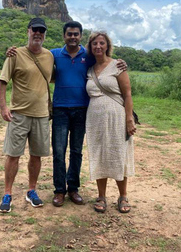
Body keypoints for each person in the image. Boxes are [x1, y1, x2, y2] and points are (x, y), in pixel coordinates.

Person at [7, 21, 127, 208]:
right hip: (61, 109)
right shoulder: (54, 54)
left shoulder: (88, 56)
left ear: (80, 36)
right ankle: (59, 191)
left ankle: (73, 188)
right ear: (64, 36)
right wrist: (11, 51)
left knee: (77, 151)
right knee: (59, 152)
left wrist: (121, 62)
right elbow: (35, 55)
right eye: (69, 34)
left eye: (76, 34)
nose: (72, 37)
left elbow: (105, 62)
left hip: (82, 109)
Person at [0, 17, 54, 213]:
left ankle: (32, 190)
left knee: (36, 155)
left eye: (41, 30)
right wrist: (4, 107)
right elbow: (2, 81)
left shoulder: (49, 56)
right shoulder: (15, 54)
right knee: (13, 155)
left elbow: (59, 71)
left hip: (41, 115)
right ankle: (7, 193)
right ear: (28, 31)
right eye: (34, 29)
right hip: (19, 114)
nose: (38, 33)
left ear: (45, 34)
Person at [85, 31, 136, 214]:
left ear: (107, 46)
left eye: (101, 43)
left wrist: (129, 119)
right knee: (100, 154)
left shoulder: (117, 66)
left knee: (118, 153)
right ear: (90, 47)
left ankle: (123, 196)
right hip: (95, 120)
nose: (98, 46)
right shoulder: (89, 69)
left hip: (117, 118)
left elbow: (128, 94)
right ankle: (101, 196)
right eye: (94, 44)